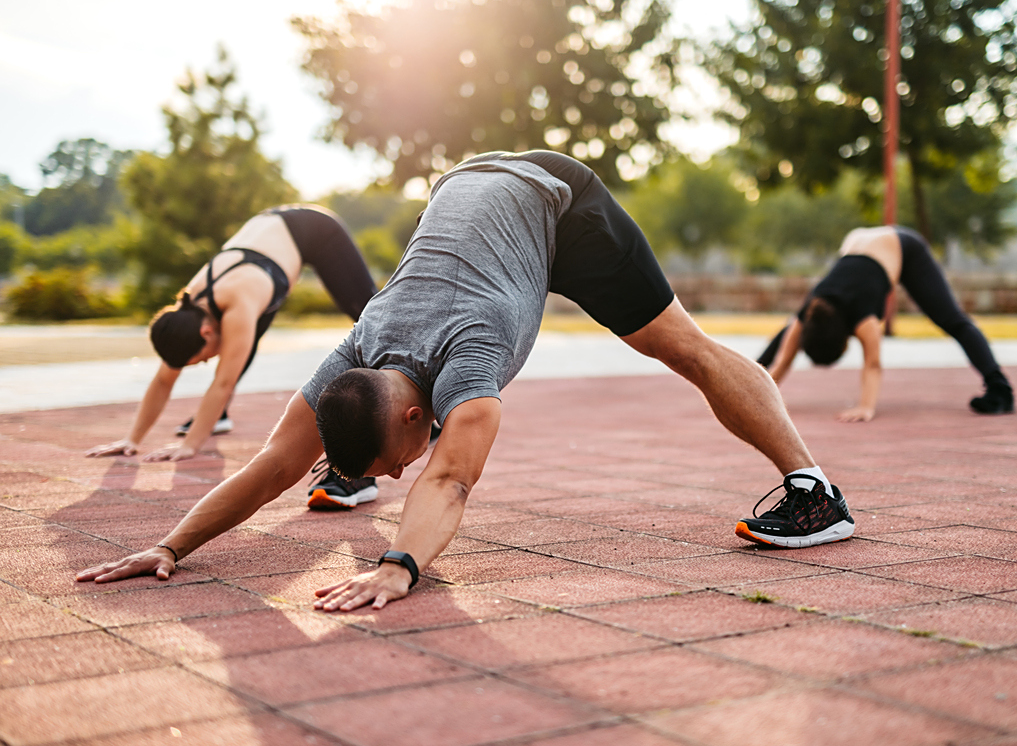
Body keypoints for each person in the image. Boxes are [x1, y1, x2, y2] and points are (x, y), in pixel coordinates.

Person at [76, 151, 854, 611]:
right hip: (462, 187)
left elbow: (448, 483)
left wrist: (399, 566)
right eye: (386, 474)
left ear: (417, 413)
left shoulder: (472, 360)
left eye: (390, 461)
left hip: (559, 202)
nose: (402, 472)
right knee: (327, 456)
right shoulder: (360, 341)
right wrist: (172, 543)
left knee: (682, 348)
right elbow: (273, 464)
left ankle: (815, 491)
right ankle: (343, 470)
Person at [84, 204, 383, 510]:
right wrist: (132, 440)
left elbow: (223, 382)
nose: (203, 363)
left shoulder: (239, 302)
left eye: (200, 359)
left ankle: (413, 397)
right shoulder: (185, 315)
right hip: (267, 237)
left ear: (205, 333)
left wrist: (190, 446)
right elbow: (163, 379)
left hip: (315, 230)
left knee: (375, 320)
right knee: (239, 347)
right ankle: (219, 415)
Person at [758, 225, 1014, 422]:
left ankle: (1000, 388)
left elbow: (873, 364)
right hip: (858, 242)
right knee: (790, 329)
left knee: (953, 320)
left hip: (903, 246)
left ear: (847, 336)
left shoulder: (862, 318)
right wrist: (755, 396)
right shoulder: (811, 310)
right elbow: (782, 360)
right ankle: (752, 372)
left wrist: (866, 406)